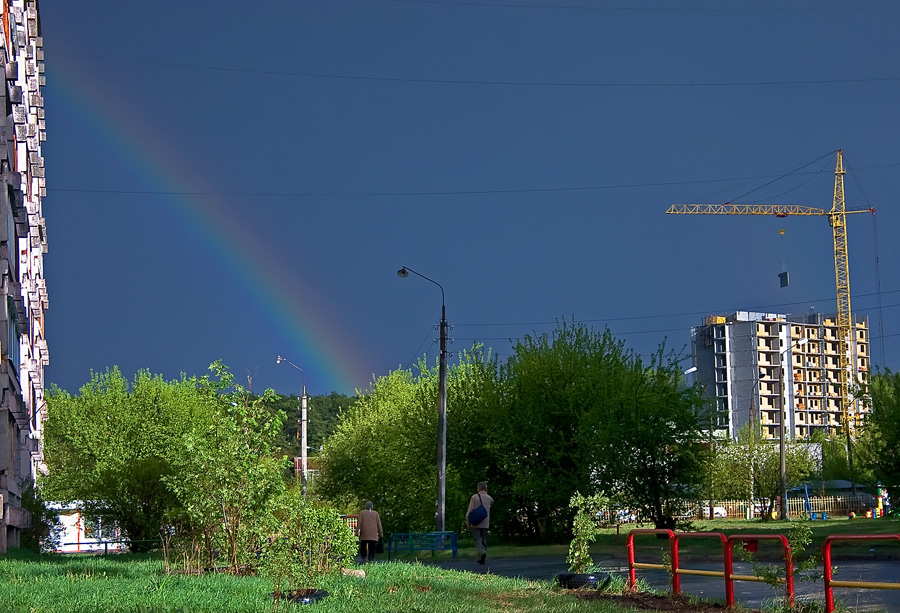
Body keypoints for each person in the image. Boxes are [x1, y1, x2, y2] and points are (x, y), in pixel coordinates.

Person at [466, 482, 493, 564]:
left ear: (478, 489)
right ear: (486, 489)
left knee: (477, 539)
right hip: (485, 522)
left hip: (476, 522)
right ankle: (482, 556)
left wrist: (468, 522)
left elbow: (469, 512)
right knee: (484, 539)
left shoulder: (474, 497)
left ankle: (482, 553)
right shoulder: (490, 499)